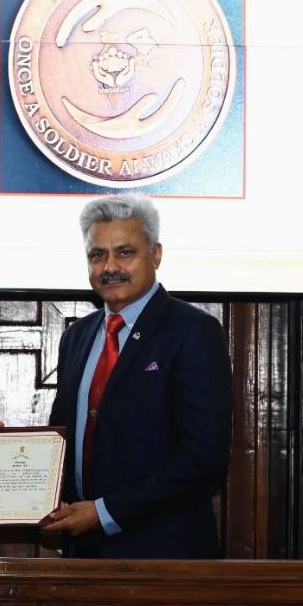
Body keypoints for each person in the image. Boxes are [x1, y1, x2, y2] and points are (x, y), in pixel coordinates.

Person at [42, 195, 232, 559]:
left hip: (163, 555)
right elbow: (61, 437)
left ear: (155, 255)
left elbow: (204, 453)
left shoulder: (193, 331)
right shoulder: (77, 337)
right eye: (97, 255)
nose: (110, 267)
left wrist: (104, 512)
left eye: (125, 253)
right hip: (84, 551)